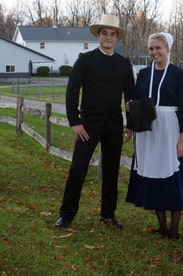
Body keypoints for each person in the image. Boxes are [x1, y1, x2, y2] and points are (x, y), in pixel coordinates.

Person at [53, 14, 135, 229]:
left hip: (113, 126)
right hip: (87, 125)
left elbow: (130, 97)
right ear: (99, 36)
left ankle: (108, 215)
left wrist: (131, 124)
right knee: (78, 168)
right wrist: (75, 121)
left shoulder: (124, 64)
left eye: (112, 34)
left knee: (111, 171)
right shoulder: (86, 60)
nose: (108, 37)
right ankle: (66, 215)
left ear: (117, 38)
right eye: (104, 33)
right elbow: (72, 92)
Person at [125, 32, 183, 239]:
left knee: (172, 177)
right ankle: (161, 226)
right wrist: (131, 110)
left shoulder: (180, 75)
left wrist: (182, 139)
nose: (154, 52)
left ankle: (174, 229)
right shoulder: (144, 74)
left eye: (158, 48)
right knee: (152, 176)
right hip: (147, 132)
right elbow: (136, 102)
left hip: (169, 131)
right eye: (151, 48)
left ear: (167, 49)